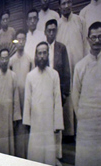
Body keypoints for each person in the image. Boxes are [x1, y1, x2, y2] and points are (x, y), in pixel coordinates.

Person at [23, 42, 64, 166]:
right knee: (35, 153)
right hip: (36, 121)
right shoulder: (30, 76)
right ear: (36, 55)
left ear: (48, 54)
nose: (42, 56)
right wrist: (27, 121)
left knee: (49, 155)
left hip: (49, 120)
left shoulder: (54, 74)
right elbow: (27, 99)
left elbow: (57, 99)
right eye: (39, 53)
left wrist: (58, 123)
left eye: (44, 53)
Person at [72, 21, 101, 166]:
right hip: (86, 126)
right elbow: (76, 96)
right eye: (94, 37)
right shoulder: (81, 66)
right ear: (88, 39)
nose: (97, 40)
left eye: (100, 37)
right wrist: (82, 116)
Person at [56, 0, 86, 137]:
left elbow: (86, 43)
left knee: (80, 96)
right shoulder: (58, 24)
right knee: (67, 98)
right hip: (65, 69)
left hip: (79, 65)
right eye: (63, 3)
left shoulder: (80, 21)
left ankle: (80, 131)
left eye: (68, 2)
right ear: (59, 6)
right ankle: (68, 132)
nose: (66, 6)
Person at [45, 19, 71, 166]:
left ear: (56, 31)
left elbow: (66, 71)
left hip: (58, 90)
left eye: (53, 30)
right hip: (44, 91)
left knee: (56, 123)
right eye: (49, 30)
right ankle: (48, 154)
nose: (51, 33)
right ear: (45, 32)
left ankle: (57, 154)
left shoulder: (61, 48)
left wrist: (65, 92)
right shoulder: (42, 48)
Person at [0, 48, 21, 155]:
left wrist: (16, 116)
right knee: (0, 140)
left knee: (9, 139)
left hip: (9, 113)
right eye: (2, 58)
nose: (4, 61)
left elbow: (16, 97)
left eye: (6, 58)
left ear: (8, 59)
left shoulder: (13, 76)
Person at [8, 29, 32, 159]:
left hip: (26, 96)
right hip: (15, 97)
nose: (21, 42)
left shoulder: (29, 59)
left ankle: (25, 154)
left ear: (26, 41)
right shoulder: (11, 60)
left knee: (25, 124)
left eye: (23, 39)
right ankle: (16, 154)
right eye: (18, 40)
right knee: (16, 124)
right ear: (15, 43)